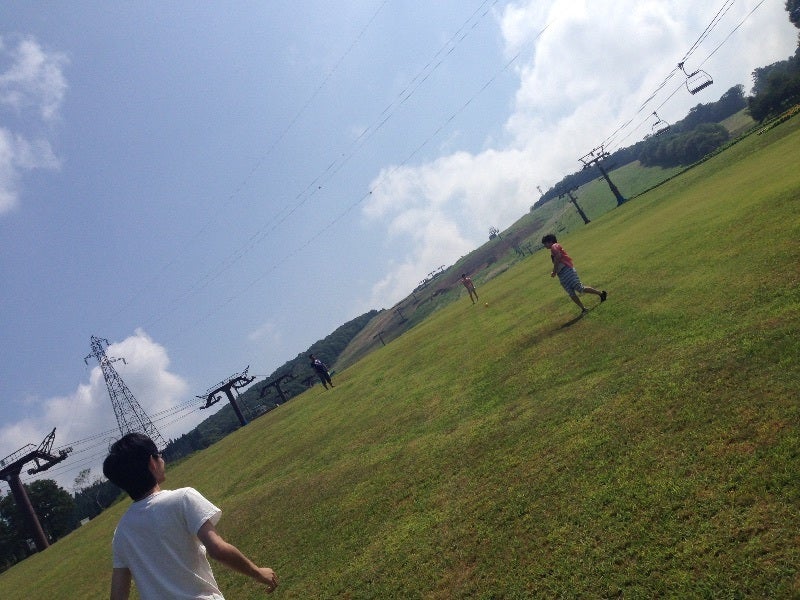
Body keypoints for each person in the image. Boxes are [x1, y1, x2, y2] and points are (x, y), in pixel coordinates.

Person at [102, 432, 278, 600]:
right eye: (159, 455)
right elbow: (217, 549)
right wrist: (258, 572)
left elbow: (118, 595)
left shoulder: (121, 532)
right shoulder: (183, 498)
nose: (162, 459)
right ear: (152, 463)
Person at [541, 233, 607, 315]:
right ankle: (583, 309)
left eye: (545, 243)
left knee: (579, 288)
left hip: (566, 270)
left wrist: (554, 271)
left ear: (550, 241)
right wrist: (555, 271)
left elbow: (558, 257)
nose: (544, 246)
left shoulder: (554, 246)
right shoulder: (553, 249)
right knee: (571, 293)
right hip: (561, 274)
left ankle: (601, 294)